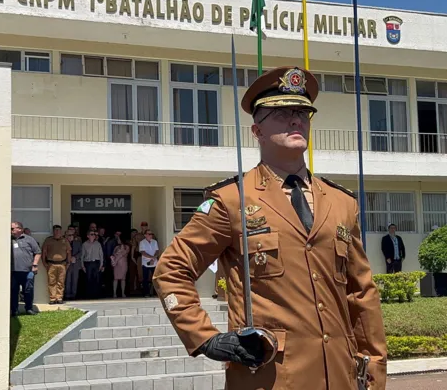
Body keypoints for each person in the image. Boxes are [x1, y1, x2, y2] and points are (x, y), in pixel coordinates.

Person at [152, 66, 387, 390]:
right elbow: (171, 269)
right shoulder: (231, 200)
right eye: (281, 113)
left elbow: (361, 295)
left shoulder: (341, 203)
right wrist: (205, 338)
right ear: (256, 131)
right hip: (270, 378)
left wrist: (373, 372)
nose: (295, 120)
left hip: (339, 377)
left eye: (302, 113)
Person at [11, 221, 41, 316]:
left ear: (20, 229)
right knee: (13, 291)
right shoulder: (8, 239)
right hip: (13, 271)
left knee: (28, 290)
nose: (10, 231)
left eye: (12, 229)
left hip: (28, 271)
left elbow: (38, 252)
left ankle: (29, 308)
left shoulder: (29, 239)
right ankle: (14, 310)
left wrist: (35, 265)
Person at [42, 225, 71, 305]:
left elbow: (69, 252)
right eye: (56, 230)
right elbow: (44, 252)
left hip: (62, 264)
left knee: (61, 282)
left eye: (59, 230)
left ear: (61, 232)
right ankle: (52, 298)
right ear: (53, 231)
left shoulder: (65, 241)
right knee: (51, 282)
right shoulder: (48, 240)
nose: (57, 232)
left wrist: (68, 263)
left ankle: (59, 297)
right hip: (51, 264)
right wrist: (44, 263)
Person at [139, 229, 159, 298]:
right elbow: (143, 252)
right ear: (145, 235)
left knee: (156, 278)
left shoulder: (155, 242)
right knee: (145, 278)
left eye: (151, 234)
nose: (151, 235)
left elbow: (157, 251)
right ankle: (146, 293)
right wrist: (151, 257)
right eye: (149, 234)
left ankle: (156, 292)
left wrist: (154, 258)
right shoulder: (142, 242)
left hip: (154, 262)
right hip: (145, 263)